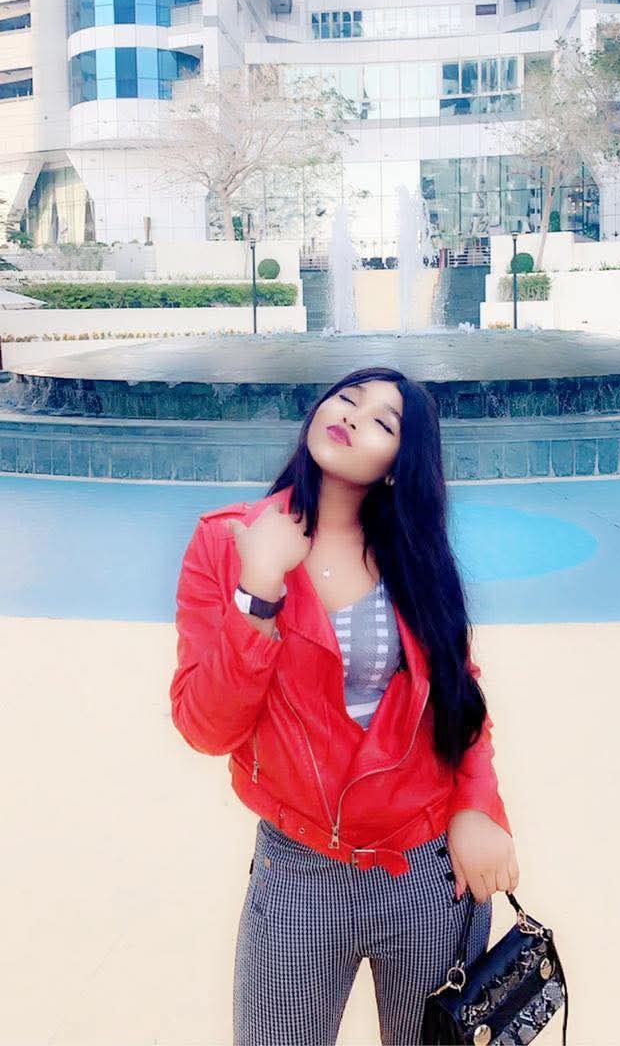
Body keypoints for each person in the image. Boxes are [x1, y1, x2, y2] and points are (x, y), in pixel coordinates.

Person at [170, 365, 519, 1046]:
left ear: (397, 467)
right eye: (347, 398)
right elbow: (205, 727)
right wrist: (258, 590)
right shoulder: (228, 541)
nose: (354, 416)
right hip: (299, 871)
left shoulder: (413, 555)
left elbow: (459, 689)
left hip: (427, 871)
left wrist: (478, 805)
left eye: (383, 421)